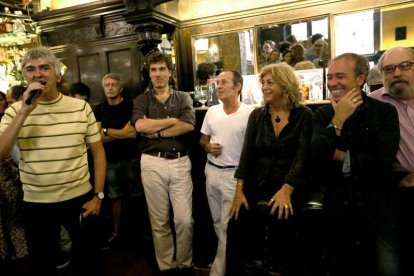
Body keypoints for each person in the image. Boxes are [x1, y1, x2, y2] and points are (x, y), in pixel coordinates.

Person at [0, 47, 106, 275]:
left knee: (92, 262)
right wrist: (24, 113)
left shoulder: (81, 107)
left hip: (79, 199)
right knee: (42, 265)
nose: (38, 74)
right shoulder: (14, 112)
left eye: (44, 68)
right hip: (36, 203)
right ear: (25, 77)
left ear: (57, 75)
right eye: (31, 69)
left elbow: (98, 153)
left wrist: (98, 196)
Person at [310, 53, 401, 275]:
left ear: (361, 78)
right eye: (329, 77)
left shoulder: (384, 111)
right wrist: (338, 119)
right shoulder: (323, 114)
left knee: (386, 268)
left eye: (340, 76)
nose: (332, 83)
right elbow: (316, 156)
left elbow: (382, 162)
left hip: (377, 206)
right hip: (337, 207)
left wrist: (340, 155)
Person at [226, 63, 313, 275]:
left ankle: (277, 267)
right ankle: (245, 267)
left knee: (282, 216)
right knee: (236, 220)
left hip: (290, 181)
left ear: (285, 84)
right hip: (259, 181)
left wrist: (287, 188)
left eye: (270, 82)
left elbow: (302, 157)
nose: (264, 87)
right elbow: (247, 156)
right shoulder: (257, 116)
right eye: (263, 83)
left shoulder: (304, 115)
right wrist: (239, 192)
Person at [131, 51, 195, 274]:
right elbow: (139, 127)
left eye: (161, 69)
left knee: (184, 221)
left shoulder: (183, 98)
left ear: (170, 72)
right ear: (149, 74)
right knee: (159, 222)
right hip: (152, 163)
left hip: (180, 162)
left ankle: (184, 264)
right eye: (153, 70)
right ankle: (167, 267)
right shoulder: (141, 100)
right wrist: (170, 121)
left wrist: (156, 131)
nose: (157, 74)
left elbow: (188, 125)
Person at [199, 70, 254, 275]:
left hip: (233, 176)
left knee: (226, 225)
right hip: (211, 172)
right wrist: (207, 147)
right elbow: (202, 139)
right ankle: (229, 261)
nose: (218, 86)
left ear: (237, 86)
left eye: (224, 82)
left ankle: (218, 271)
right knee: (216, 222)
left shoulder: (250, 113)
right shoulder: (212, 111)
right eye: (217, 83)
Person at [369, 46, 414, 275]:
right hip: (395, 194)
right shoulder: (372, 105)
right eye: (389, 69)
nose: (397, 73)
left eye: (405, 66)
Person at [95, 73, 140, 250]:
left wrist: (106, 131)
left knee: (137, 196)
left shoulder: (131, 106)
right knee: (114, 199)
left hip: (131, 158)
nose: (110, 87)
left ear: (120, 88)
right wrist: (117, 132)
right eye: (107, 85)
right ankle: (116, 233)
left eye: (114, 84)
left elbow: (132, 133)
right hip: (110, 161)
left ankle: (140, 232)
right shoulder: (100, 108)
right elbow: (96, 137)